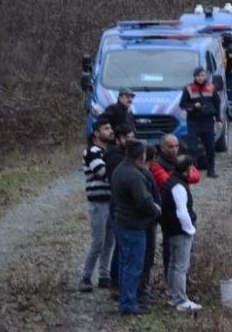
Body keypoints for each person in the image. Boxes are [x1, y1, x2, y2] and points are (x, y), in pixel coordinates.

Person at [110, 139, 162, 316]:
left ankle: (126, 300)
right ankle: (129, 303)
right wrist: (155, 209)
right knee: (133, 266)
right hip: (134, 226)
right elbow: (143, 201)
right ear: (142, 157)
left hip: (122, 223)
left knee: (125, 265)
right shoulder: (134, 175)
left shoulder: (119, 170)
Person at [149, 134, 201, 279]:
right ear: (163, 147)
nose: (174, 149)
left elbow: (196, 175)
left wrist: (179, 174)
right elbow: (167, 181)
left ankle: (182, 280)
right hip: (167, 210)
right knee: (170, 249)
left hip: (182, 205)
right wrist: (181, 174)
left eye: (176, 146)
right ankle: (172, 281)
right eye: (170, 146)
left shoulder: (177, 161)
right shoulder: (157, 164)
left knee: (186, 251)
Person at [161, 154, 202, 311]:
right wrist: (190, 229)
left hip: (171, 229)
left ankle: (173, 296)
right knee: (181, 267)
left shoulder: (171, 181)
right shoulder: (179, 186)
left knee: (173, 264)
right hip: (180, 231)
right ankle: (181, 300)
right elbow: (182, 212)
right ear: (188, 169)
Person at [79, 119, 115, 293]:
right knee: (98, 241)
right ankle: (86, 276)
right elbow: (103, 173)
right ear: (96, 133)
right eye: (106, 128)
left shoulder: (109, 152)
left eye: (110, 128)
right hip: (98, 201)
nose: (110, 131)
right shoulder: (92, 152)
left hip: (111, 200)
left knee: (109, 242)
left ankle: (104, 275)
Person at [103, 124, 135, 300]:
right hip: (119, 204)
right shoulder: (115, 158)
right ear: (118, 139)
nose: (130, 140)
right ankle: (115, 282)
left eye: (132, 136)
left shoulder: (123, 155)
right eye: (127, 137)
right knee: (121, 246)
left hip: (120, 204)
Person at [180, 67, 222, 178]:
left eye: (202, 75)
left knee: (210, 147)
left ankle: (211, 170)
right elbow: (182, 104)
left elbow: (217, 104)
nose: (200, 78)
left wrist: (218, 119)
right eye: (198, 75)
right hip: (194, 122)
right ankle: (193, 171)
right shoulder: (188, 89)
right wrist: (194, 106)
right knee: (192, 148)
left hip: (208, 121)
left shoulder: (211, 88)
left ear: (205, 76)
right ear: (195, 76)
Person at [136, 143, 163, 306]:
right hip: (146, 222)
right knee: (145, 259)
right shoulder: (144, 175)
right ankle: (141, 292)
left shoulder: (142, 174)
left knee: (146, 258)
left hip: (147, 222)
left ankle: (143, 290)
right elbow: (145, 200)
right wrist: (156, 211)